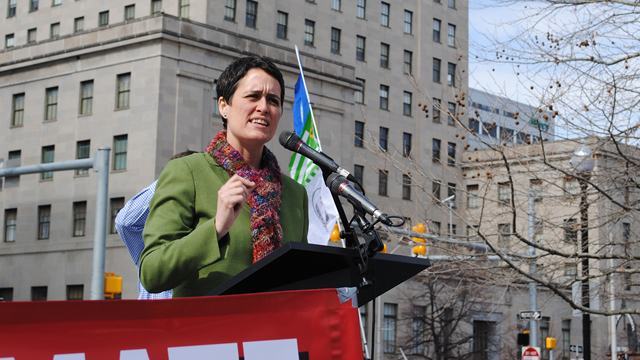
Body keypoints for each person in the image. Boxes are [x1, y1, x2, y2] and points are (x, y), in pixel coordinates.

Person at [140, 56, 309, 297]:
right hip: (208, 331)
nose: (264, 107)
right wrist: (217, 228)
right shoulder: (189, 172)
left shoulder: (295, 194)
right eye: (253, 96)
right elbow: (152, 272)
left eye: (273, 100)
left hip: (276, 332)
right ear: (223, 106)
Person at [115, 150, 197, 300]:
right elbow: (125, 222)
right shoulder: (149, 238)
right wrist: (175, 177)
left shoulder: (210, 233)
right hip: (153, 322)